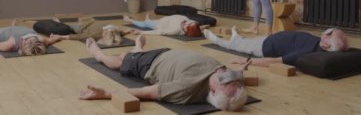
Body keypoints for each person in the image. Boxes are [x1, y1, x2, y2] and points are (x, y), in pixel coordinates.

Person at [79, 35, 248, 111]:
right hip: (167, 53)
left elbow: (146, 93)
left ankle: (98, 54)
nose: (225, 73)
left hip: (149, 64)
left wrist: (105, 93)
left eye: (223, 79)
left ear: (212, 90)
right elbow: (234, 80)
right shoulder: (229, 84)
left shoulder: (186, 89)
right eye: (232, 80)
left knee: (120, 59)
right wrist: (240, 71)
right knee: (133, 54)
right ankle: (138, 48)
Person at [203, 27, 349, 67]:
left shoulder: (307, 53)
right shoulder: (320, 43)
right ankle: (236, 36)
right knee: (244, 41)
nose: (327, 30)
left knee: (234, 46)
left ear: (326, 44)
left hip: (264, 47)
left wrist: (248, 61)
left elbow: (278, 60)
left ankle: (216, 40)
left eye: (330, 32)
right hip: (270, 39)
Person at [49, 19, 132, 46]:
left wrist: (125, 32)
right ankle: (58, 22)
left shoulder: (113, 29)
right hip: (85, 26)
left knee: (68, 28)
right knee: (67, 27)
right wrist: (61, 36)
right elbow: (80, 36)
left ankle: (58, 22)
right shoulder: (98, 34)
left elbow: (81, 36)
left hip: (88, 25)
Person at [124, 14, 202, 37]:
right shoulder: (192, 23)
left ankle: (130, 20)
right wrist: (202, 28)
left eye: (187, 25)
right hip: (162, 20)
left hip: (159, 24)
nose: (187, 22)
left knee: (145, 24)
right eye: (191, 22)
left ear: (186, 30)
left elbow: (159, 32)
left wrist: (141, 32)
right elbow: (196, 27)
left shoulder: (174, 30)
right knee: (147, 22)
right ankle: (148, 20)